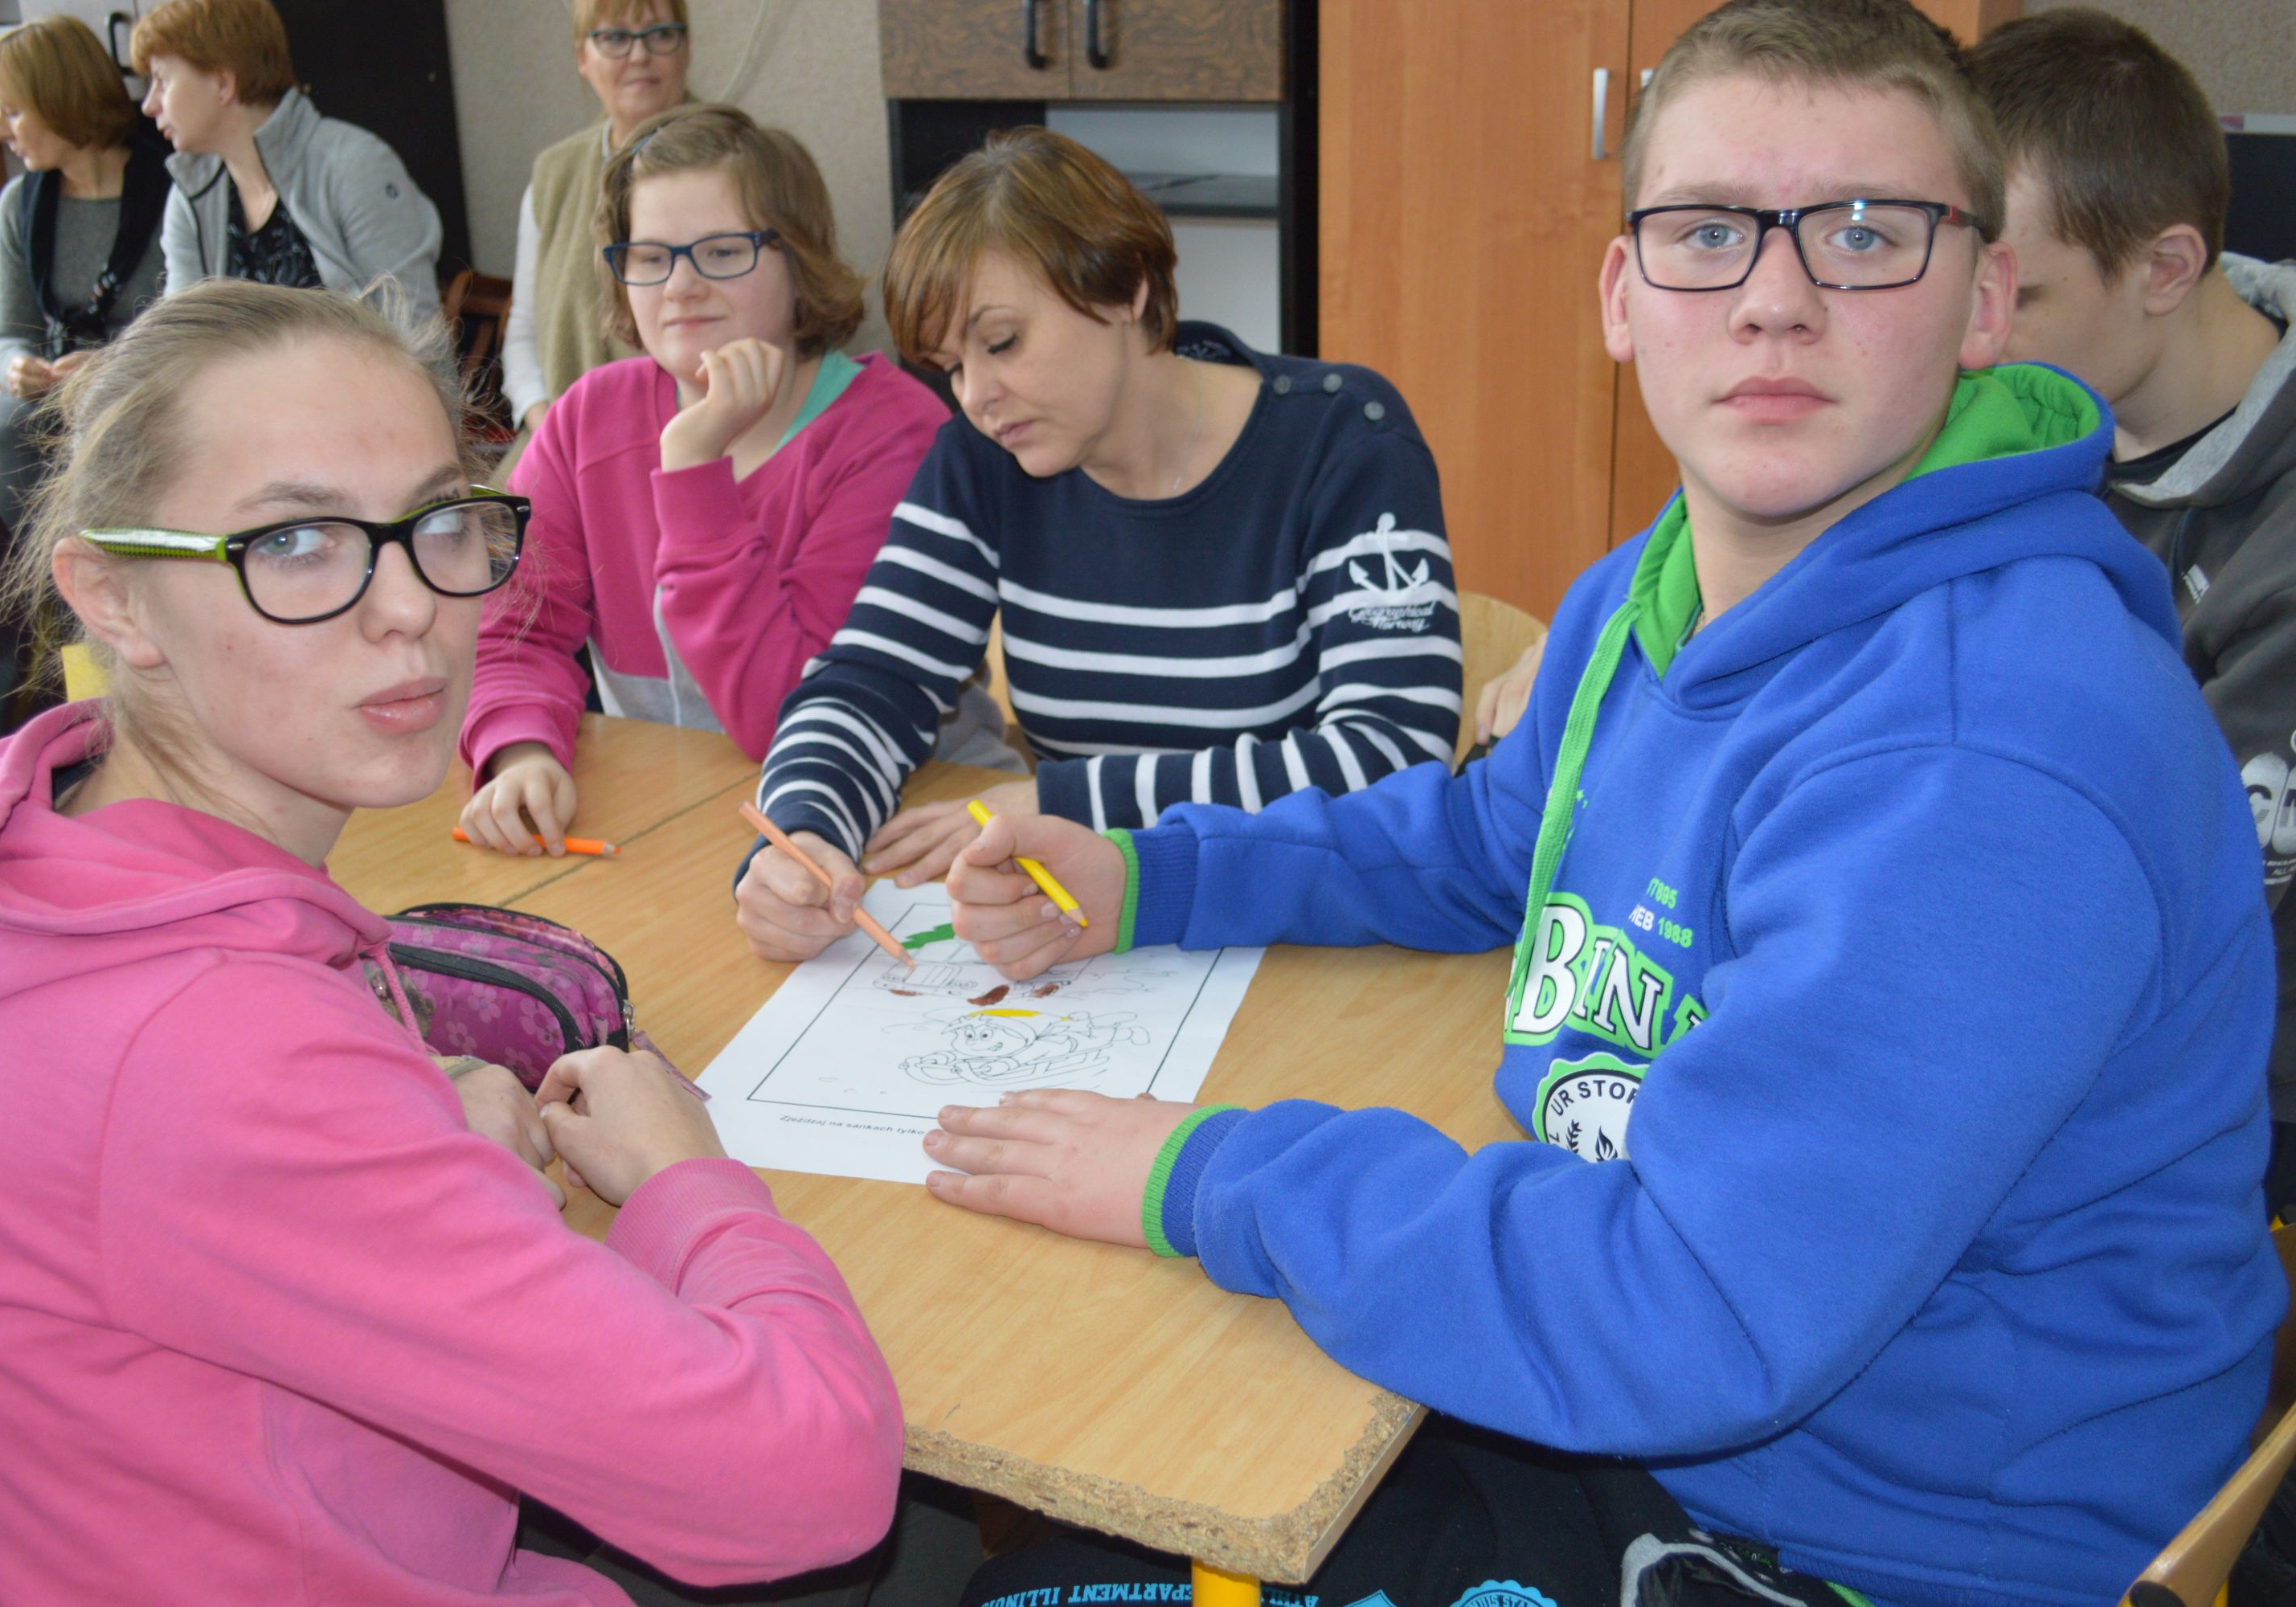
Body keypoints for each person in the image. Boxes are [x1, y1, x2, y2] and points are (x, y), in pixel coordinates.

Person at [921, 4, 2282, 1605]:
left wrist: (1214, 1175)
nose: (1774, 298)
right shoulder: (1656, 589)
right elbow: (1487, 843)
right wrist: (1154, 877)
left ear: (1984, 299)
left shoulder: (1986, 756)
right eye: (1707, 232)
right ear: (1621, 297)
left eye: (1862, 234)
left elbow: (1691, 1310)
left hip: (1870, 1538)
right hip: (1671, 1386)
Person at [0, 281, 900, 1602]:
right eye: (297, 541)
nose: (412, 605)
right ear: (115, 600)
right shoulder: (208, 1052)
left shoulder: (34, 855)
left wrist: (406, 1110)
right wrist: (682, 1173)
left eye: (437, 522)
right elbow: (810, 1480)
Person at [735, 129, 1462, 963]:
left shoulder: (1343, 440)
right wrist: (802, 834)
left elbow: (1391, 759)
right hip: (1086, 935)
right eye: (950, 366)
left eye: (1001, 343)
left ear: (1124, 289)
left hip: (1301, 936)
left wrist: (1070, 800)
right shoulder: (985, 457)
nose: (977, 396)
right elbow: (873, 679)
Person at [458, 103, 996, 853]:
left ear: (798, 259)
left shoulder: (895, 435)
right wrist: (521, 751)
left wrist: (693, 472)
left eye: (720, 251)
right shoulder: (588, 418)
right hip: (679, 815)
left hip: (898, 822)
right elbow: (512, 634)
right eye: (649, 257)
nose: (680, 286)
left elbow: (789, 719)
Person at [1968, 9, 2296, 1222]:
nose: (1965, 344)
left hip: (2221, 1103)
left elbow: (2152, 919)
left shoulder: (2279, 562)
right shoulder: (2027, 403)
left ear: (2164, 270)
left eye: (2018, 295)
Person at [0, 14, 168, 526]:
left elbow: (195, 324)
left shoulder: (174, 190)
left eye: (13, 112)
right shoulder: (18, 204)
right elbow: (7, 334)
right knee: (3, 423)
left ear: (63, 101)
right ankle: (26, 577)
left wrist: (110, 365)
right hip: (56, 391)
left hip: (150, 382)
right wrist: (16, 366)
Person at [134, 0, 441, 307]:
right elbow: (181, 328)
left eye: (162, 80)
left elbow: (415, 329)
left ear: (223, 84)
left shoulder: (355, 167)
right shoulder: (190, 196)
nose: (149, 105)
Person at [503, 0, 694, 452]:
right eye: (614, 38)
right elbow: (523, 331)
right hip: (558, 443)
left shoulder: (734, 166)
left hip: (691, 443)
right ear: (582, 59)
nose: (639, 55)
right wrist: (547, 426)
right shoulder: (553, 175)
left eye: (660, 34)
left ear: (686, 48)